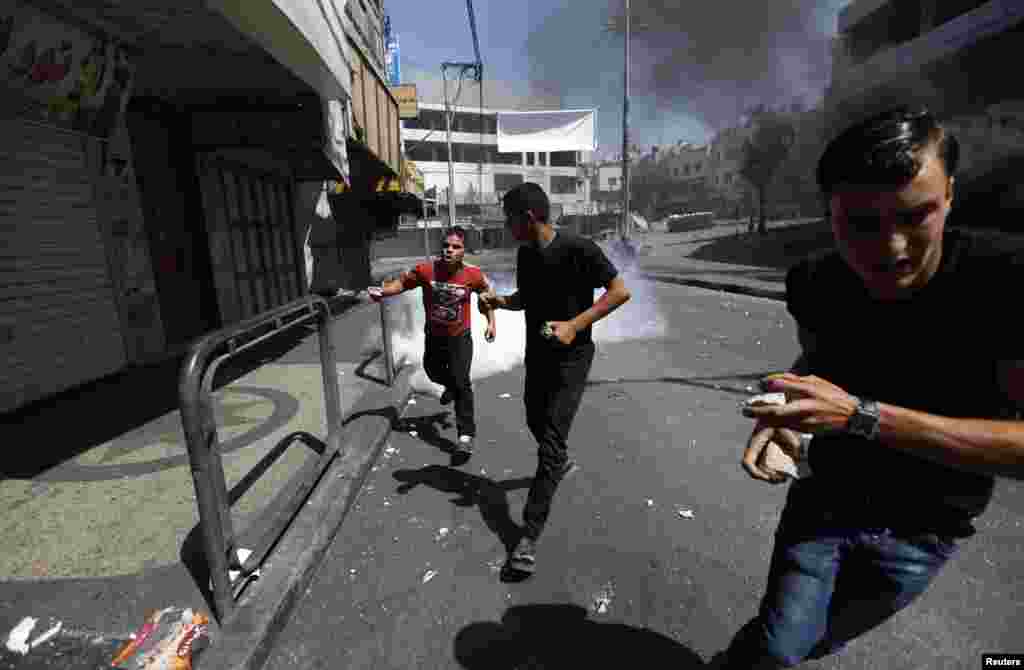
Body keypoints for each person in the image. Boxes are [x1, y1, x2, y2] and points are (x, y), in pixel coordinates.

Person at [712, 108, 1024, 668]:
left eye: (916, 215)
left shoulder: (1006, 281)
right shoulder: (814, 282)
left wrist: (863, 416)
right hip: (826, 505)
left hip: (926, 532)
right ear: (828, 213)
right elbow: (819, 361)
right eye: (859, 224)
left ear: (950, 194)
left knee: (801, 644)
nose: (892, 248)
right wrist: (784, 415)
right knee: (779, 650)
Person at [478, 182, 632, 575]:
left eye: (508, 218)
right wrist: (500, 301)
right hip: (539, 355)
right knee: (533, 417)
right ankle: (558, 464)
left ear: (527, 217)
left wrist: (574, 325)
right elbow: (525, 298)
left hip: (572, 359)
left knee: (550, 441)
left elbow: (618, 291)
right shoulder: (526, 254)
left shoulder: (579, 248)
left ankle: (527, 534)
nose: (506, 225)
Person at [369, 226, 496, 456]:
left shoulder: (473, 275)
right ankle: (450, 386)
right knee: (432, 372)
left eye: (456, 247)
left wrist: (491, 322)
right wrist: (383, 291)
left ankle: (465, 435)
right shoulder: (426, 271)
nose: (449, 250)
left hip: (460, 338)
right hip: (435, 337)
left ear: (464, 250)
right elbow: (402, 284)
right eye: (446, 245)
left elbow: (487, 298)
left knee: (462, 381)